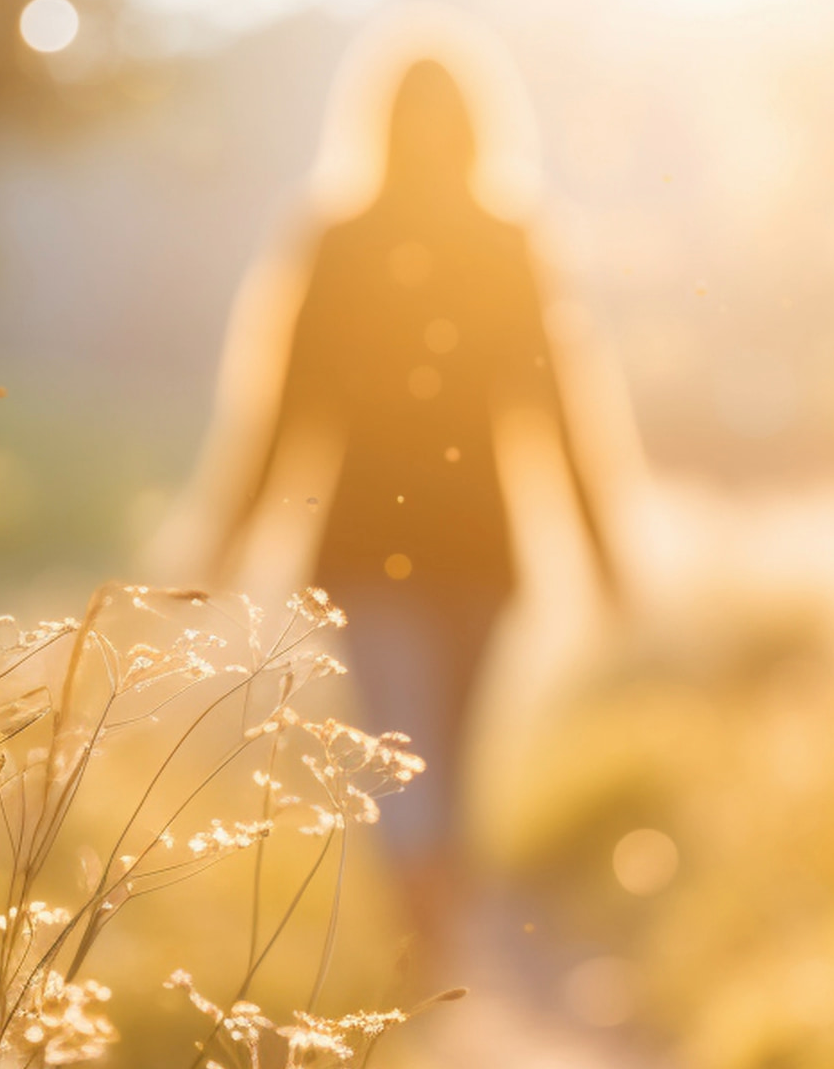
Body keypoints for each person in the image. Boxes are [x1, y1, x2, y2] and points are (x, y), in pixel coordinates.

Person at [199, 56, 617, 952]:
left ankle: (428, 963)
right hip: (426, 546)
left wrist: (605, 551)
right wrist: (223, 543)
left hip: (420, 544)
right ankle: (431, 957)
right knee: (414, 758)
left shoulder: (367, 238)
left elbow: (550, 406)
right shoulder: (440, 238)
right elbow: (290, 409)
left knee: (429, 765)